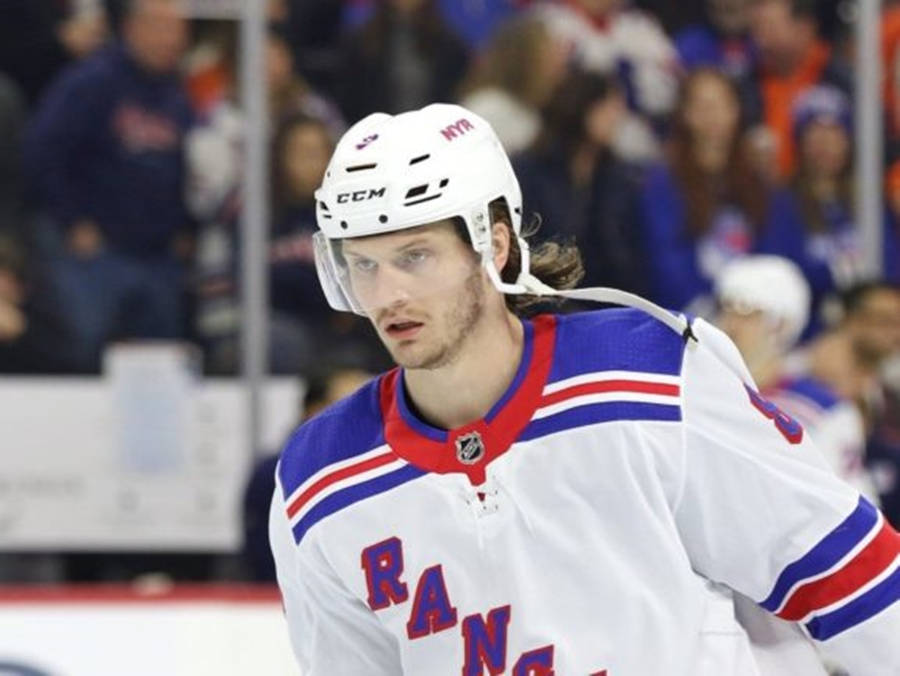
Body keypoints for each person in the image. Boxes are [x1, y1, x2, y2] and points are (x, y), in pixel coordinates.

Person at [269, 103, 900, 675]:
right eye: (363, 264)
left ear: (493, 244)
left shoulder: (648, 377)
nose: (388, 295)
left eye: (415, 256)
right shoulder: (318, 482)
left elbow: (844, 569)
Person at [24, 0, 193, 372]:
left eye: (179, 30)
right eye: (163, 28)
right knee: (83, 352)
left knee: (161, 362)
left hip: (157, 255)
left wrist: (183, 226)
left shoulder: (178, 93)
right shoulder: (91, 81)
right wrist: (72, 220)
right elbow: (43, 152)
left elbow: (185, 169)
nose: (173, 40)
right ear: (132, 28)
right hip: (95, 251)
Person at [713, 255, 877, 500]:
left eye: (746, 313)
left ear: (781, 324)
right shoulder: (703, 392)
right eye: (725, 309)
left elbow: (853, 503)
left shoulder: (825, 411)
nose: (731, 325)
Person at [640, 67, 771, 315]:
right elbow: (666, 260)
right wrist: (708, 313)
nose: (713, 115)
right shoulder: (663, 183)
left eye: (721, 104)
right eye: (702, 106)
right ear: (685, 114)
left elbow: (770, 251)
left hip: (750, 310)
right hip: (689, 315)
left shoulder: (757, 180)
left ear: (736, 110)